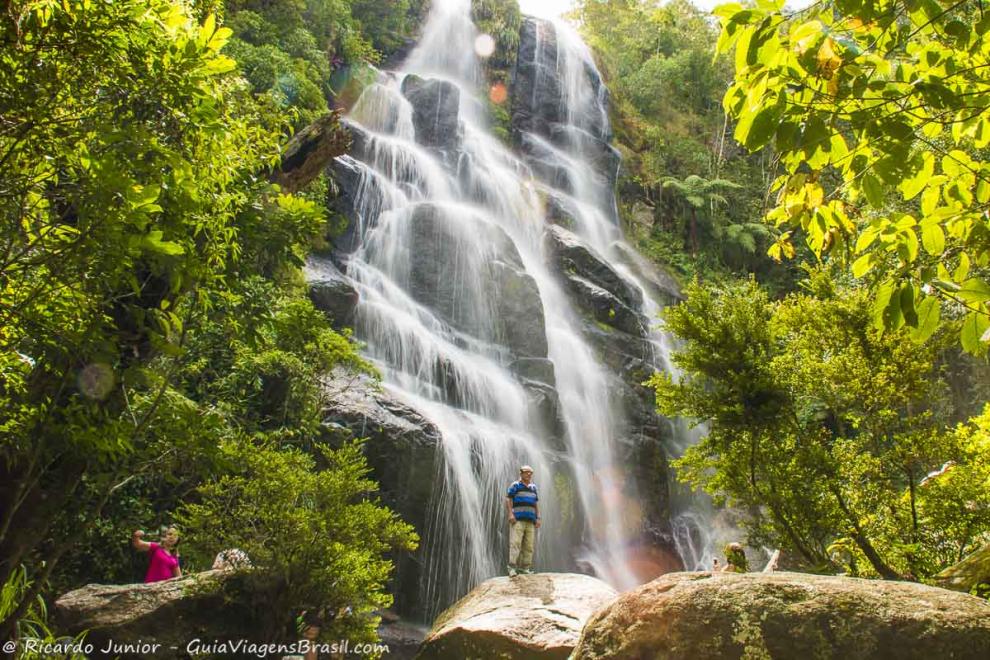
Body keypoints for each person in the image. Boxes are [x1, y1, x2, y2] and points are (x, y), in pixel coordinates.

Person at [505, 465, 540, 577]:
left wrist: (538, 517)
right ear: (521, 473)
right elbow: (509, 498)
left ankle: (525, 568)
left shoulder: (533, 487)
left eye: (531, 472)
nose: (529, 474)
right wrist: (510, 513)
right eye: (526, 472)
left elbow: (535, 503)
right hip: (518, 519)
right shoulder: (515, 485)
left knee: (529, 545)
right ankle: (512, 568)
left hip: (530, 520)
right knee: (515, 543)